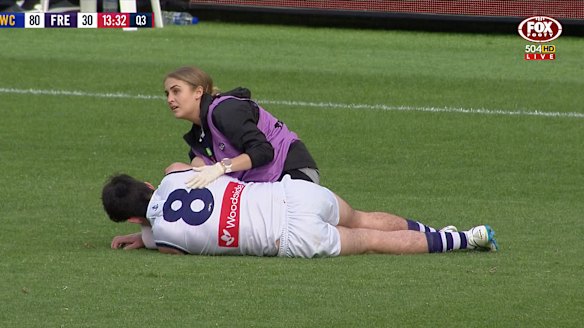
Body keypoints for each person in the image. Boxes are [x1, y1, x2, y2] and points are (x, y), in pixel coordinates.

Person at [101, 163, 498, 257]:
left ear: (133, 219)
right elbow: (176, 168)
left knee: (372, 241)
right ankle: (439, 230)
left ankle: (466, 239)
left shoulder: (163, 240)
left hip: (291, 237)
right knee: (362, 217)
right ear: (147, 184)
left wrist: (142, 236)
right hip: (293, 195)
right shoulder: (172, 176)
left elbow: (164, 236)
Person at [163, 66, 319, 189]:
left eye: (176, 91)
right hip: (263, 185)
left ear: (198, 92)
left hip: (292, 172)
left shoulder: (225, 111)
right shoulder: (198, 137)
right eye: (167, 94)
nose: (170, 99)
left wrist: (221, 167)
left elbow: (263, 151)